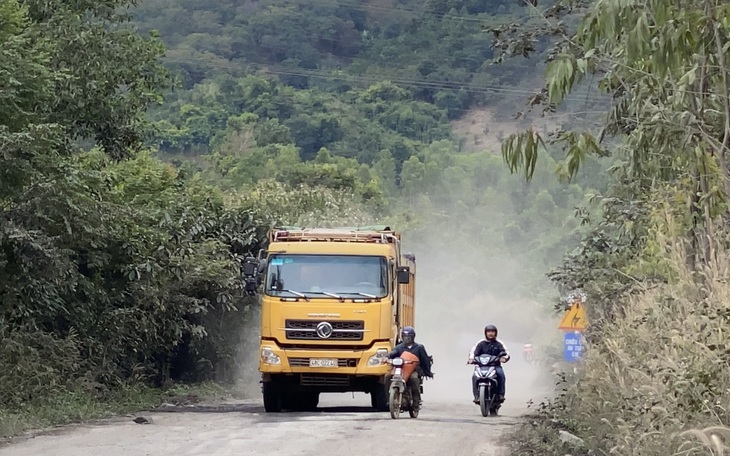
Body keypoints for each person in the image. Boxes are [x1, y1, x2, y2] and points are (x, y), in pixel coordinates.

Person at [385, 326, 434, 407]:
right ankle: (388, 399)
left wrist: (428, 372)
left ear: (413, 337)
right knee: (387, 377)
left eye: (409, 336)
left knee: (414, 378)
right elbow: (392, 354)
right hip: (400, 369)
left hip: (413, 370)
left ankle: (416, 401)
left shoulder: (419, 348)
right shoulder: (399, 347)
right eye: (404, 336)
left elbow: (425, 360)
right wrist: (387, 358)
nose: (406, 338)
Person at [467, 324, 510, 404]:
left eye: (492, 331)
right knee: (474, 377)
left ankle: (500, 394)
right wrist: (471, 359)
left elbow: (506, 352)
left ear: (496, 333)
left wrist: (504, 358)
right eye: (488, 331)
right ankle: (477, 396)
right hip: (481, 366)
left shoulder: (499, 343)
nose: (490, 333)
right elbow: (473, 352)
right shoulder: (480, 343)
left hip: (495, 366)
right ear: (485, 333)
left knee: (501, 374)